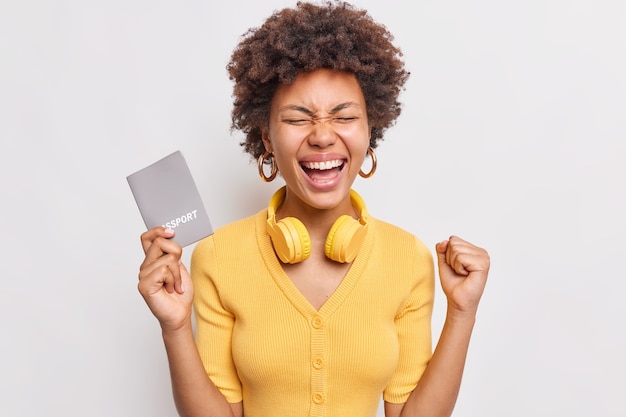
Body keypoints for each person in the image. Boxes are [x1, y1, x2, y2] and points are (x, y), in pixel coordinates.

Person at [137, 1, 490, 416]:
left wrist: (462, 313)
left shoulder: (407, 258)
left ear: (370, 130)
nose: (323, 137)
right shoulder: (219, 256)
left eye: (344, 116)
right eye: (298, 118)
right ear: (266, 137)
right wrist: (175, 327)